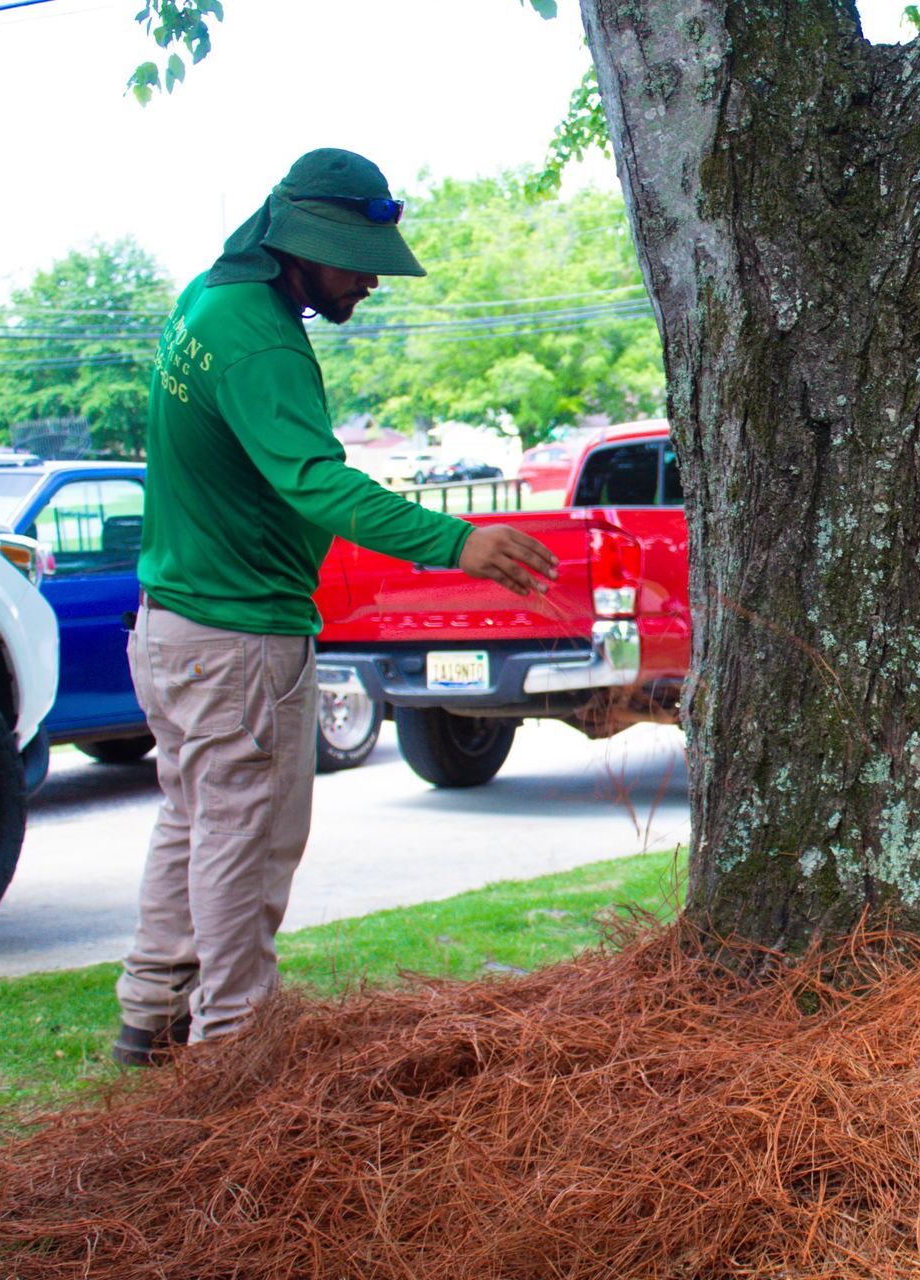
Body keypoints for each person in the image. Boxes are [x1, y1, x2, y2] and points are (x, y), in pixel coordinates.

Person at [112, 149, 559, 1066]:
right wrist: (456, 541)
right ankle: (234, 1046)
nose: (369, 279)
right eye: (356, 258)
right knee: (248, 837)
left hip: (171, 625)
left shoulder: (209, 298)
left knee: (193, 816)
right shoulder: (263, 337)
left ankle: (152, 1013)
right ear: (303, 245)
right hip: (238, 633)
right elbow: (316, 481)